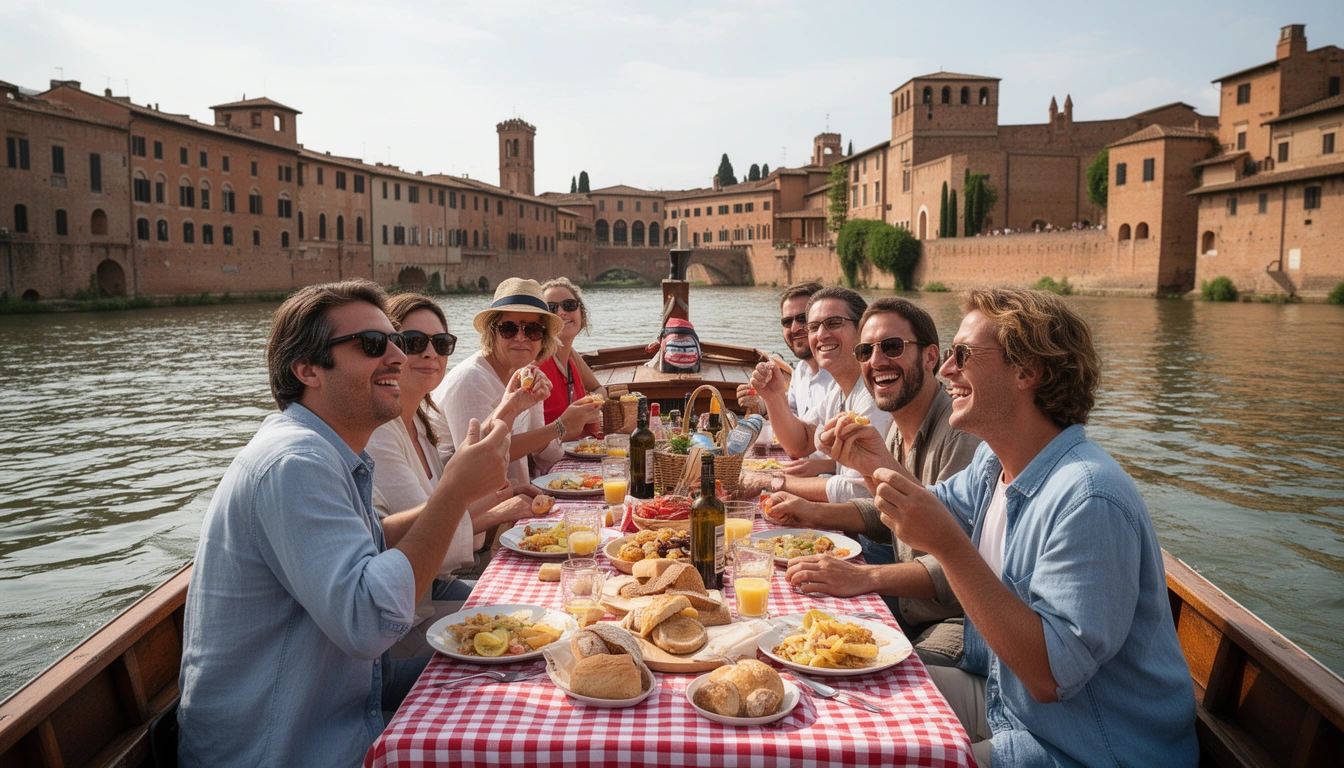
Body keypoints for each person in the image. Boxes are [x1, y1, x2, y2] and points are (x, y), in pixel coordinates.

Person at [837, 288, 1197, 766]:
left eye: (962, 355)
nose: (945, 371)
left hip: (1085, 746)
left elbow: (1050, 678)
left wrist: (948, 547)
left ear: (1029, 371)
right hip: (1008, 705)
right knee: (845, 688)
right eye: (948, 356)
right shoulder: (995, 463)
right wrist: (871, 462)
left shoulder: (1089, 497)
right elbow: (921, 510)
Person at [177, 280, 511, 767]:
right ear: (307, 369)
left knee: (525, 664)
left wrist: (460, 492)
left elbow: (375, 545)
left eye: (395, 340)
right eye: (374, 345)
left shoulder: (328, 453)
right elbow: (371, 622)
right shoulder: (294, 463)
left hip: (347, 704)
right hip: (284, 748)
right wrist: (456, 490)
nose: (398, 356)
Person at [778, 298, 981, 664]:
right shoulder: (898, 428)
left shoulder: (959, 433)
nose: (876, 361)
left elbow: (956, 561)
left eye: (892, 347)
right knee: (798, 630)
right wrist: (810, 514)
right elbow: (884, 511)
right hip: (914, 605)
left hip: (958, 620)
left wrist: (864, 578)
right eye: (865, 351)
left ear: (931, 357)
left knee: (852, 669)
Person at [367, 293, 535, 606]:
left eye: (441, 343)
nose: (431, 353)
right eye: (414, 342)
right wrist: (502, 509)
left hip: (435, 585)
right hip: (406, 604)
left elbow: (449, 501)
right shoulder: (377, 433)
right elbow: (424, 534)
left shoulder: (418, 422)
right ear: (387, 349)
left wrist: (506, 497)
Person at [430, 278, 601, 489]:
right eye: (509, 328)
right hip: (473, 511)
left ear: (544, 337)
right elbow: (480, 461)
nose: (521, 338)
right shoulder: (471, 379)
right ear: (492, 332)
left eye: (533, 330)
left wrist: (556, 423)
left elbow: (545, 455)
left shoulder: (525, 375)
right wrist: (560, 426)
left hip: (514, 494)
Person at [744, 286, 890, 504]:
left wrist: (769, 481)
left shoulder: (875, 394)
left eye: (834, 323)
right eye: (813, 327)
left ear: (863, 330)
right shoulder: (841, 391)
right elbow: (800, 443)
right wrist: (774, 396)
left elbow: (860, 493)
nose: (821, 335)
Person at [738, 281, 837, 475]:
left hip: (826, 478)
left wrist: (826, 466)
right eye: (787, 322)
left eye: (803, 319)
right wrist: (761, 401)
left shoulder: (841, 377)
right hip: (802, 462)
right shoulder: (801, 370)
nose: (794, 328)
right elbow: (791, 411)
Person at [539, 277, 605, 438]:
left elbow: (599, 389)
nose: (562, 312)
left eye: (569, 305)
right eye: (551, 308)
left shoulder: (570, 355)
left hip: (581, 449)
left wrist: (591, 406)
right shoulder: (535, 362)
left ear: (581, 315)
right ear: (541, 321)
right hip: (552, 459)